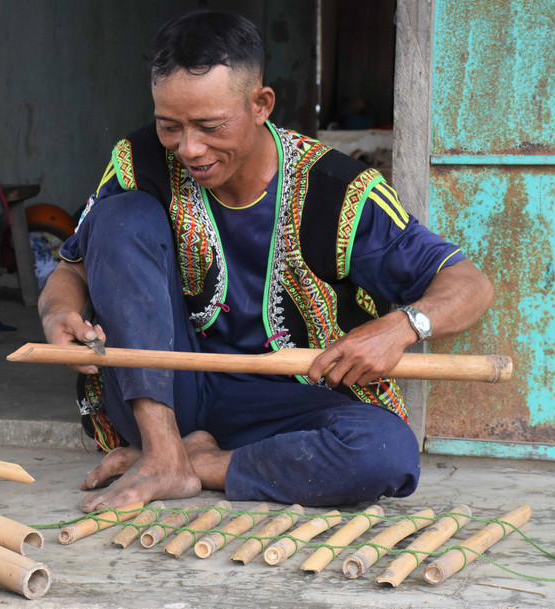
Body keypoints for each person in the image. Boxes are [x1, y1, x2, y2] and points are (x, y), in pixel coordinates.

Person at [39, 10, 493, 513]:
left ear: (261, 104)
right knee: (119, 218)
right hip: (164, 391)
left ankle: (197, 465)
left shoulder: (337, 192)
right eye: (170, 125)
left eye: (210, 126)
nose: (189, 148)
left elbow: (468, 283)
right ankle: (163, 449)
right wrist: (57, 314)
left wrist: (402, 326)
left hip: (289, 401)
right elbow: (71, 269)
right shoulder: (140, 162)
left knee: (383, 453)